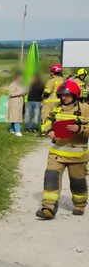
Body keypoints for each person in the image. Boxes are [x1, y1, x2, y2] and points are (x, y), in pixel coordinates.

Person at [37, 80, 89, 220]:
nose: (64, 98)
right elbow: (47, 120)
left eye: (67, 95)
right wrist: (49, 130)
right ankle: (48, 208)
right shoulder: (56, 107)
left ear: (75, 95)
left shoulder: (85, 109)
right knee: (50, 179)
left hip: (77, 156)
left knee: (78, 182)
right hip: (56, 153)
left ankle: (80, 205)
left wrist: (80, 129)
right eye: (61, 95)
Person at [41, 64, 64, 130]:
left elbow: (47, 93)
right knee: (56, 117)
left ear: (52, 72)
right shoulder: (63, 81)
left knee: (46, 117)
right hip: (59, 102)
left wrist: (42, 98)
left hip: (49, 102)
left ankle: (45, 130)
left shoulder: (51, 81)